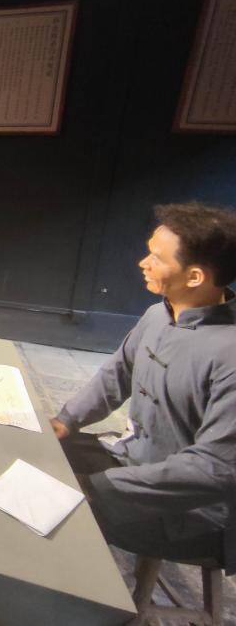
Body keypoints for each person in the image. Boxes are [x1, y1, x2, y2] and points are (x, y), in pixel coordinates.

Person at [52, 202, 236, 566]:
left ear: (194, 276)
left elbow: (215, 468)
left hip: (198, 513)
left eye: (156, 257)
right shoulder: (158, 314)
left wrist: (102, 488)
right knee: (38, 455)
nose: (143, 263)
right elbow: (118, 372)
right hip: (132, 458)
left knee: (59, 510)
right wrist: (67, 419)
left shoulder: (229, 354)